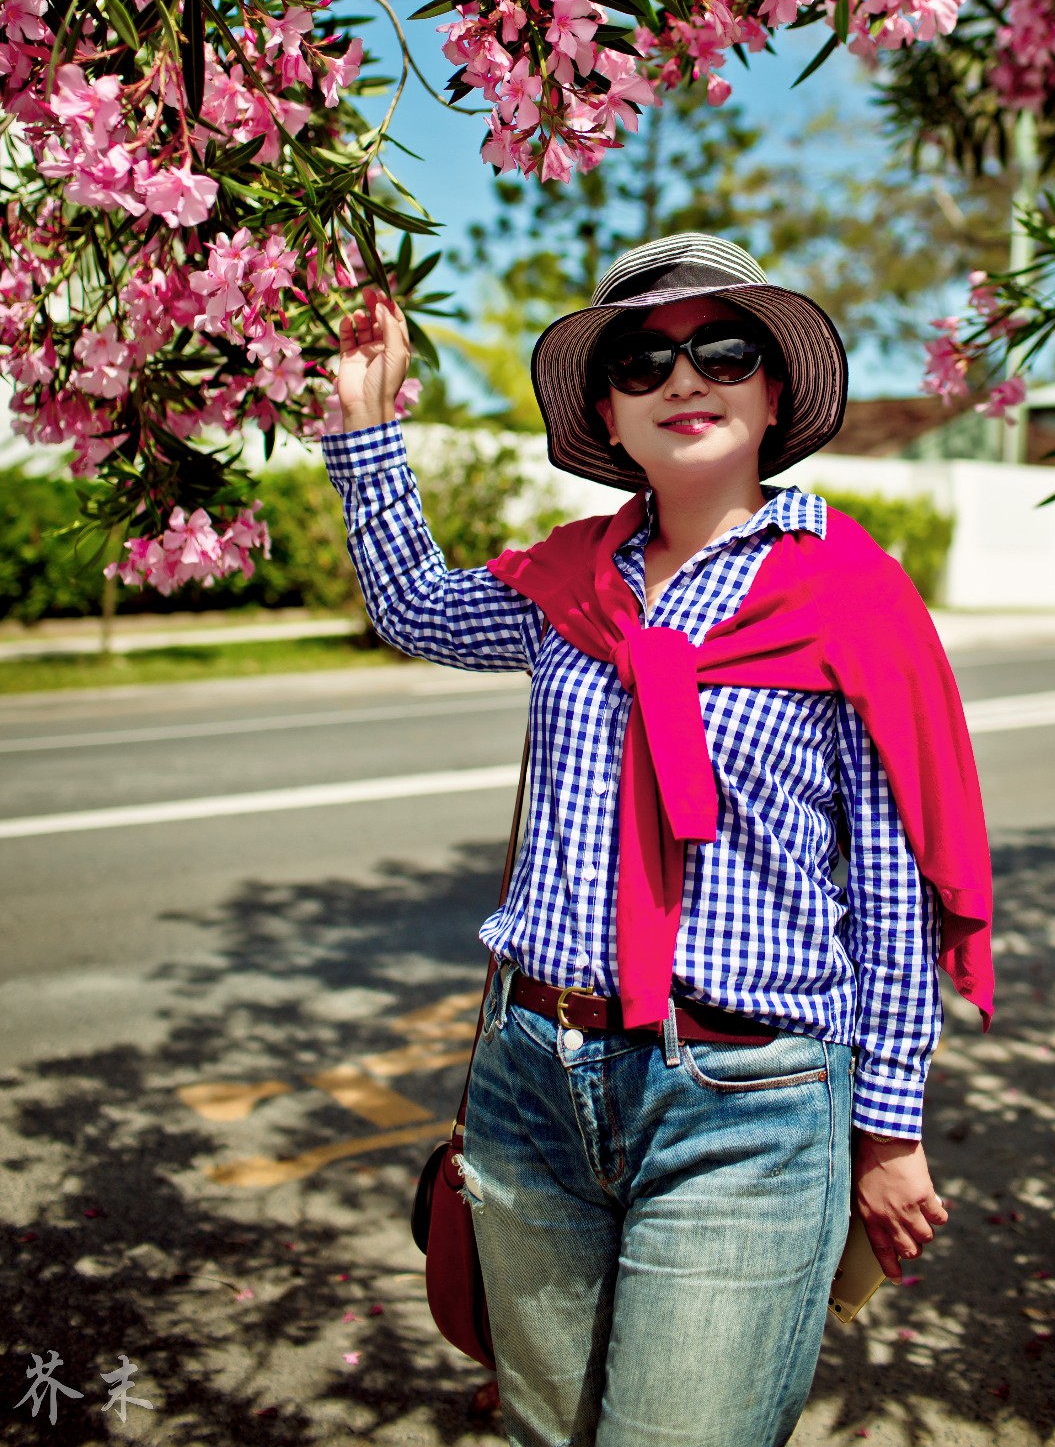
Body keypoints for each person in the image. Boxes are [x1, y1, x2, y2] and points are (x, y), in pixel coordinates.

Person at [324, 233, 992, 1447]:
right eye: (643, 360)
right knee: (546, 1426)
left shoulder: (850, 594)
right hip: (533, 1074)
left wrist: (889, 1130)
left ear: (773, 388)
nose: (685, 379)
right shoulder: (564, 585)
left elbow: (894, 894)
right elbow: (413, 604)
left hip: (748, 1101)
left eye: (721, 349)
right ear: (610, 413)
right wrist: (363, 422)